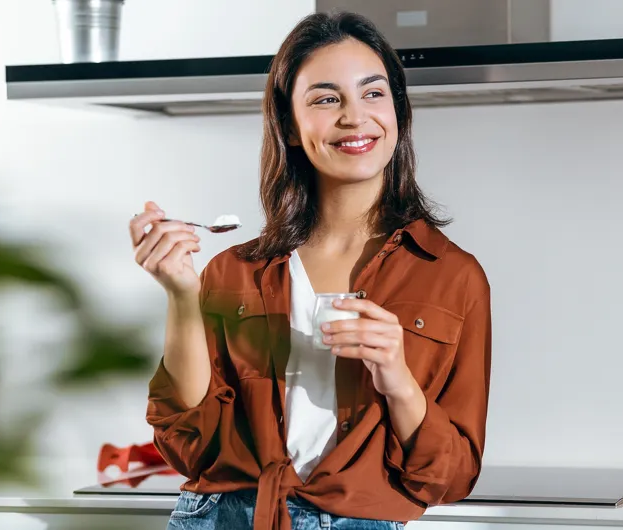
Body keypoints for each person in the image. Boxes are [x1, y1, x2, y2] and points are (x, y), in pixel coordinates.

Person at [130, 10, 492, 530]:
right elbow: (191, 446)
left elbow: (449, 477)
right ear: (292, 128)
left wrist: (397, 378)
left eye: (373, 93)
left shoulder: (451, 277)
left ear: (398, 113)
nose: (354, 116)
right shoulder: (234, 272)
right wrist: (181, 295)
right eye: (326, 99)